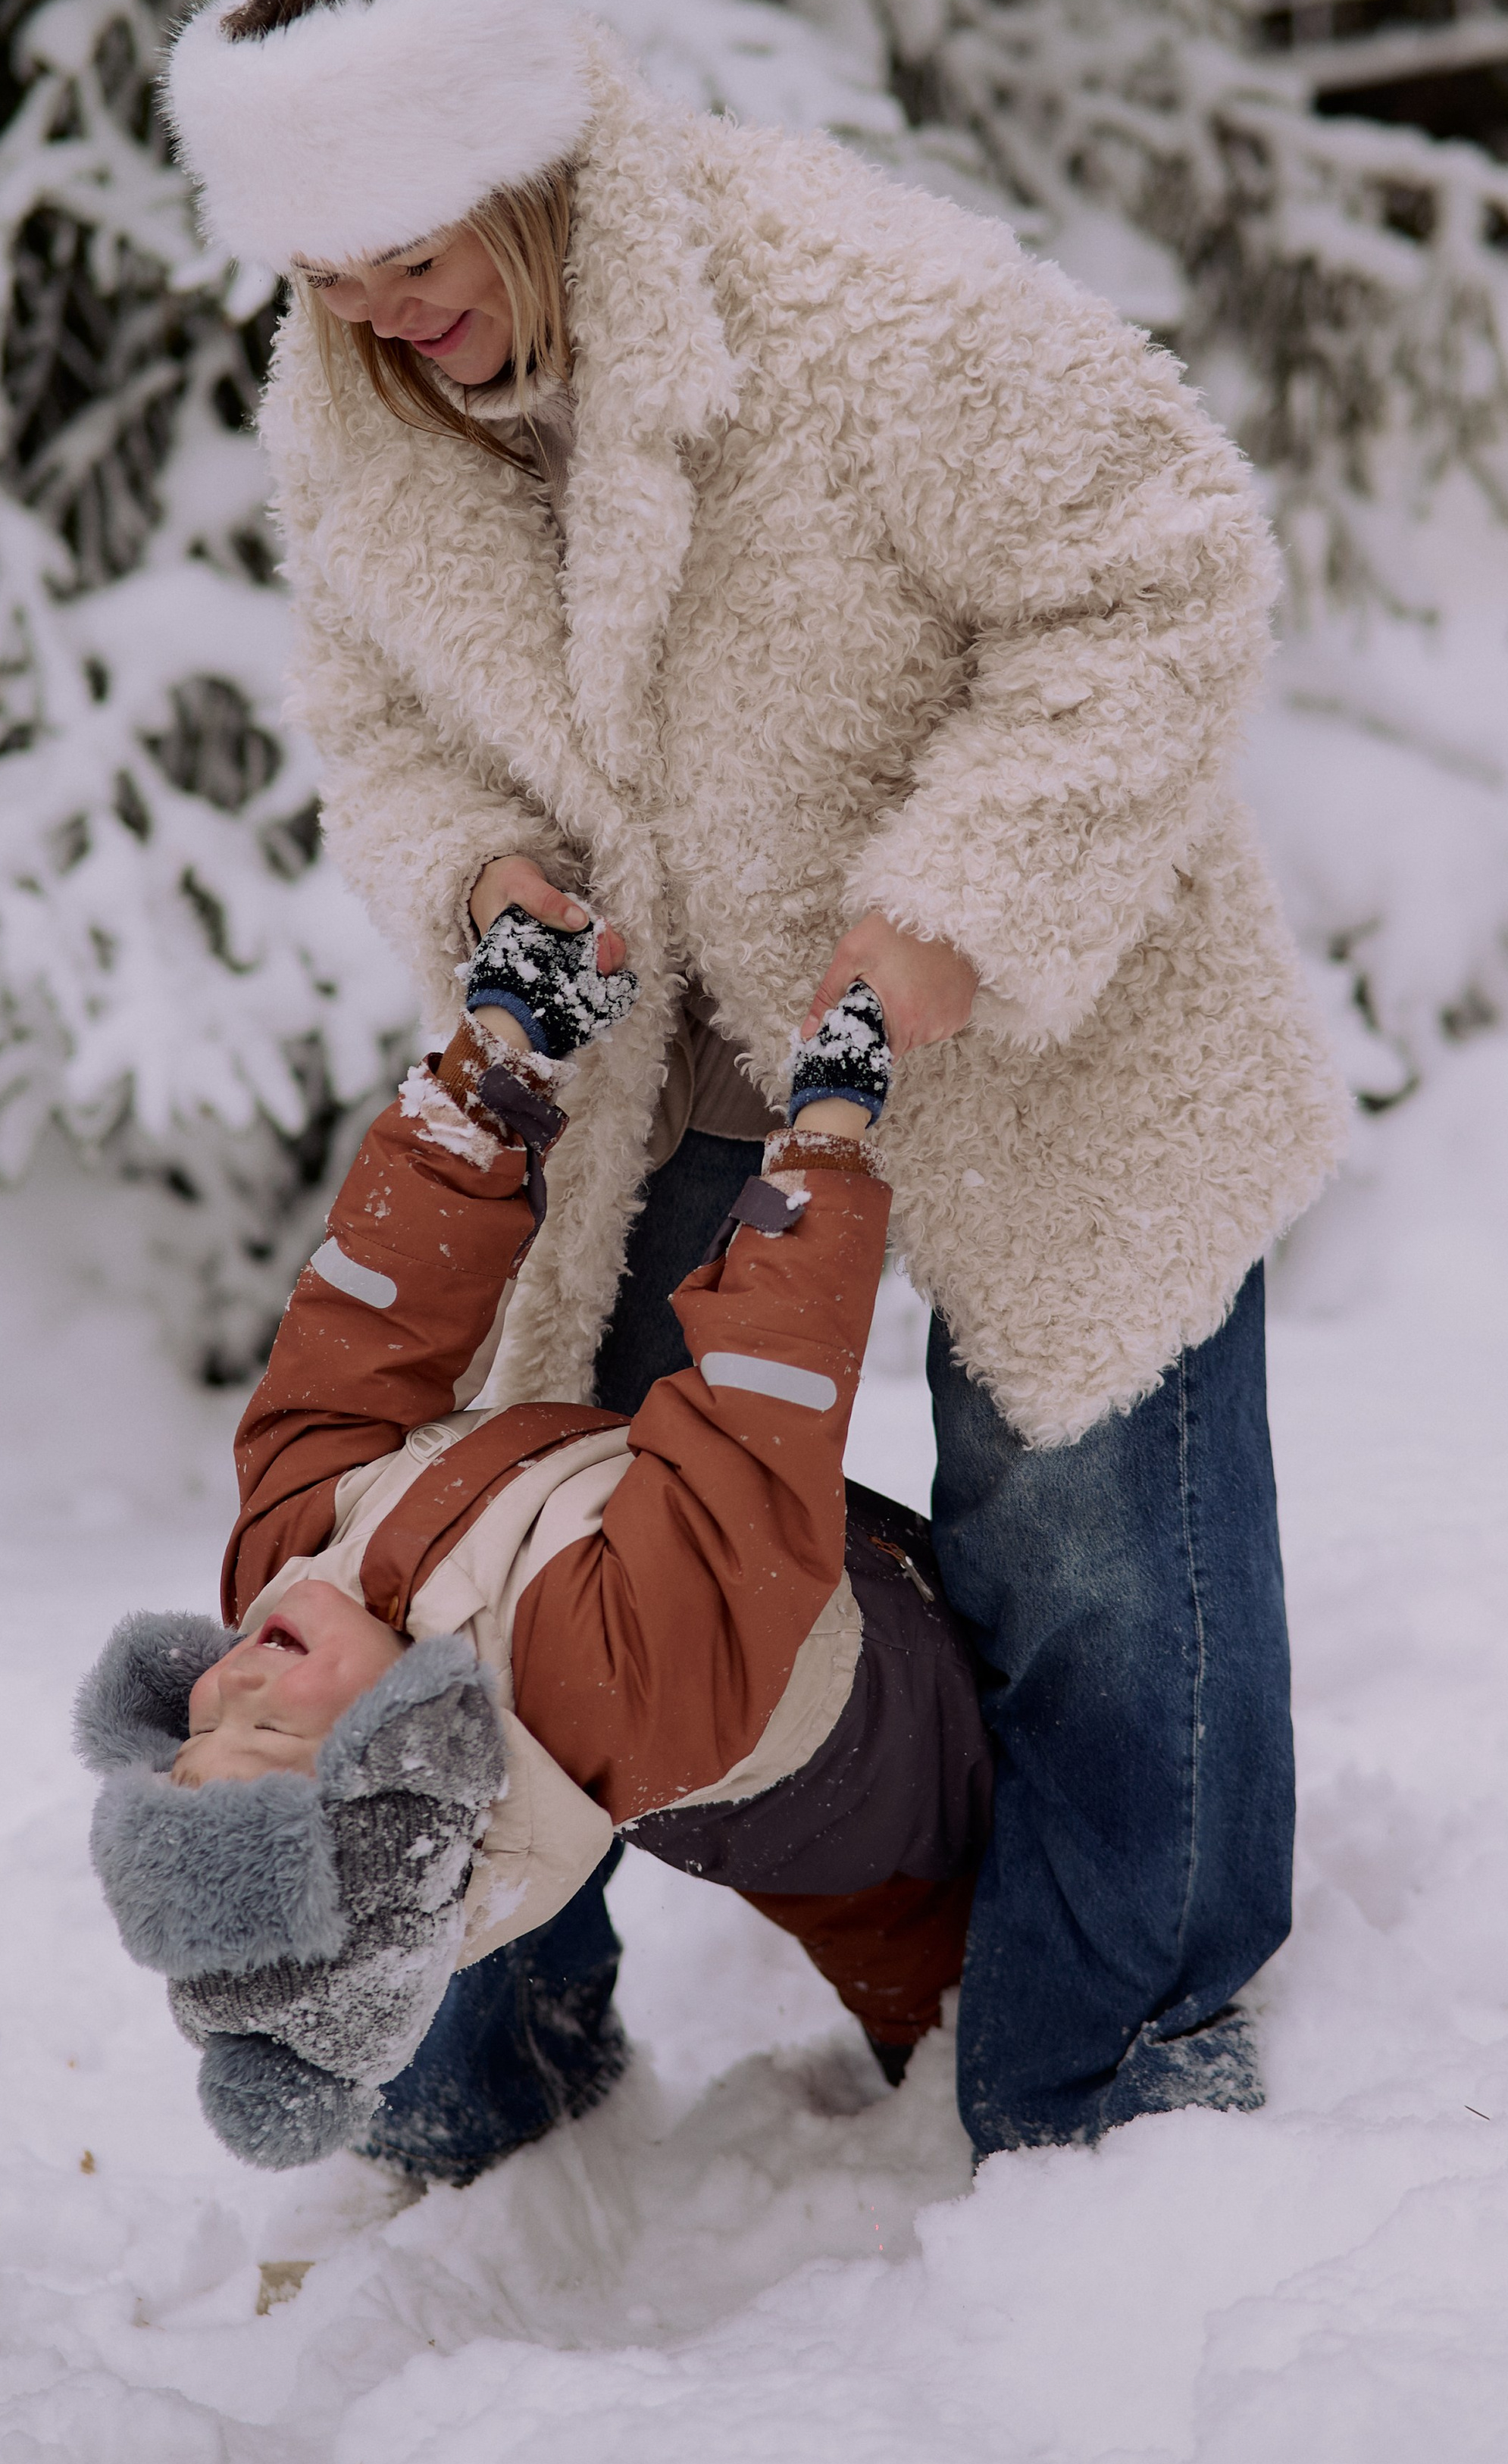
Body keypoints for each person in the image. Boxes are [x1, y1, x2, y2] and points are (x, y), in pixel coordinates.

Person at [162, 0, 1348, 2162]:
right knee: (502, 1521)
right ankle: (484, 2044)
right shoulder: (354, 404)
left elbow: (1171, 557)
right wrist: (475, 876)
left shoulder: (851, 304)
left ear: (525, 157)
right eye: (322, 268)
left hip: (1024, 987)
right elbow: (378, 725)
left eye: (416, 241)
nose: (382, 307)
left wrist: (950, 919)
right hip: (656, 1053)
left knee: (1086, 1530)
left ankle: (1119, 2058)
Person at [77, 924, 990, 2171]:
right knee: (926, 1923)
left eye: (198, 1736)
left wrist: (494, 1065)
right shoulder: (601, 1680)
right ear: (406, 1764)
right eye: (277, 1732)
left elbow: (367, 1319)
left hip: (742, 1581)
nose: (232, 1681)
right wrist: (823, 1126)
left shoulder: (290, 1567)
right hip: (855, 1743)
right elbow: (755, 1405)